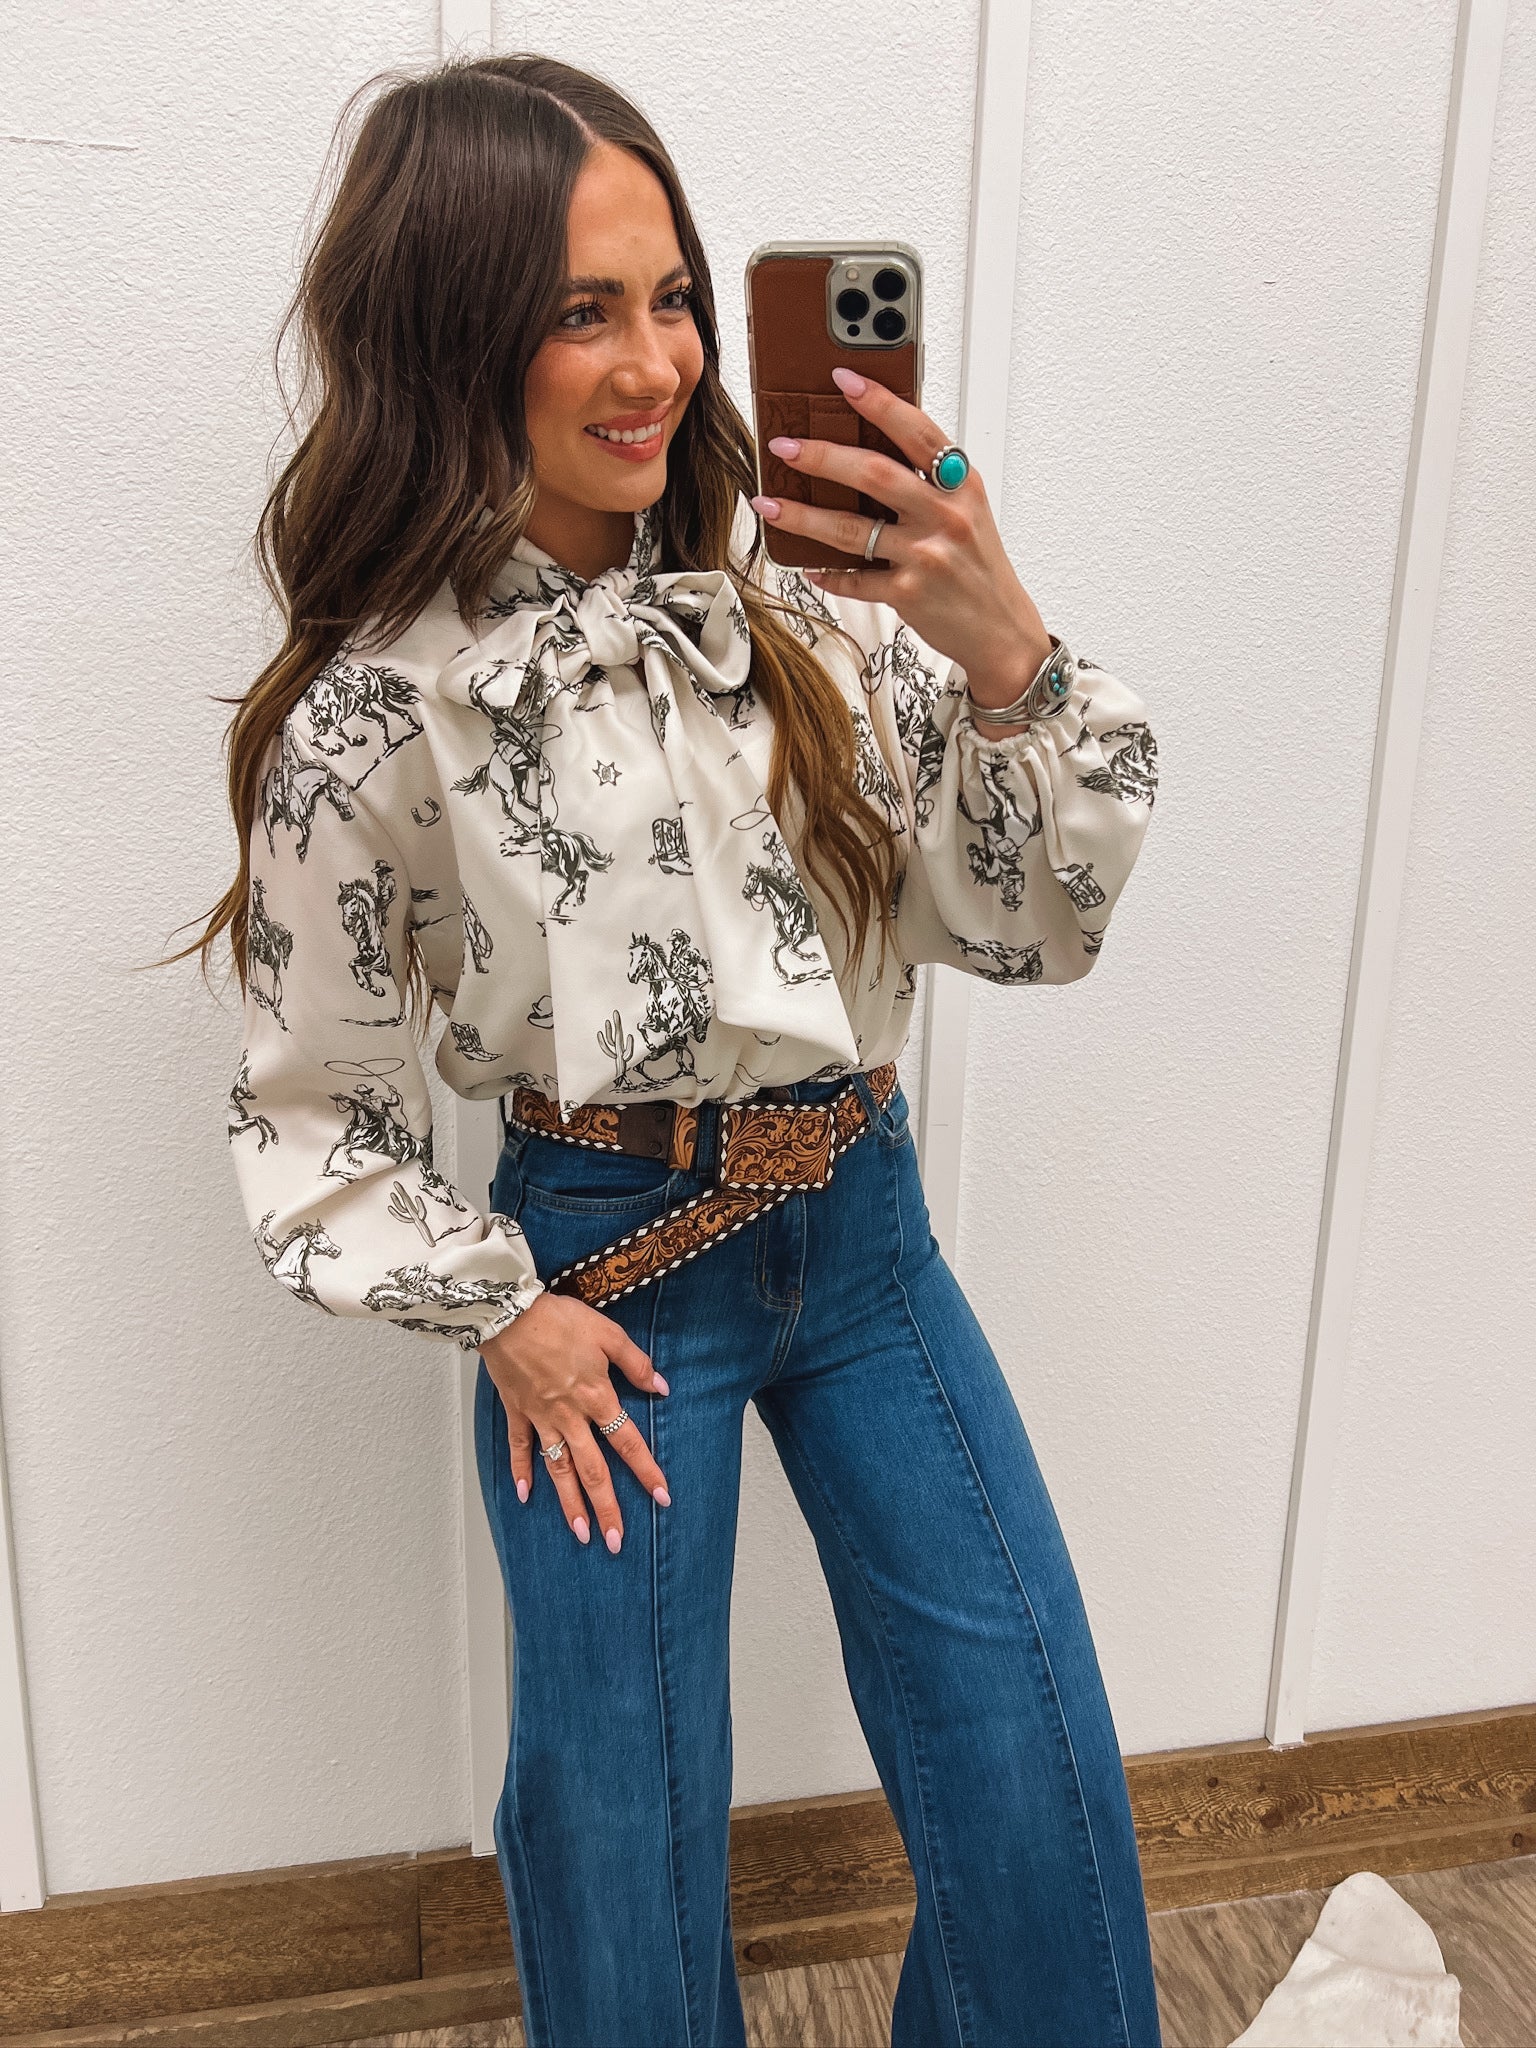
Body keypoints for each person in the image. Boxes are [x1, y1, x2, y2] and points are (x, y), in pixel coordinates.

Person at [193, 49, 1162, 2048]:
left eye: (675, 298)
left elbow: (1020, 925)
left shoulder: (814, 605)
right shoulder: (375, 715)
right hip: (608, 1278)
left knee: (1034, 1771)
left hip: (868, 1244)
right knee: (618, 1832)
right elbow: (318, 1116)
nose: (655, 364)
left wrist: (1004, 654)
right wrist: (504, 1316)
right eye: (582, 311)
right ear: (452, 333)